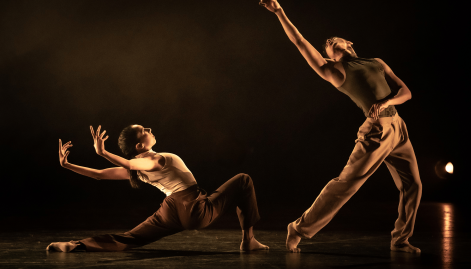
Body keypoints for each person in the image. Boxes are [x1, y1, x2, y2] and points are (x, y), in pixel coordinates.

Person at [259, 0, 422, 253]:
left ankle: (400, 240)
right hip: (376, 132)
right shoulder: (333, 70)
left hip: (398, 128)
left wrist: (387, 101)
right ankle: (298, 228)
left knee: (414, 185)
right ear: (330, 55)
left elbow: (407, 92)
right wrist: (280, 12)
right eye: (327, 44)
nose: (330, 41)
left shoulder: (377, 62)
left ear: (350, 43)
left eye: (334, 39)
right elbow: (300, 42)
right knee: (346, 184)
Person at [47, 125, 269, 252]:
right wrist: (102, 153)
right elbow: (130, 164)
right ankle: (248, 240)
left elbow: (98, 175)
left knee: (130, 238)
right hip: (192, 207)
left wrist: (67, 165)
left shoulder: (140, 169)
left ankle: (73, 246)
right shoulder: (155, 160)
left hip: (170, 210)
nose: (149, 129)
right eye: (144, 129)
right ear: (140, 146)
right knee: (243, 180)